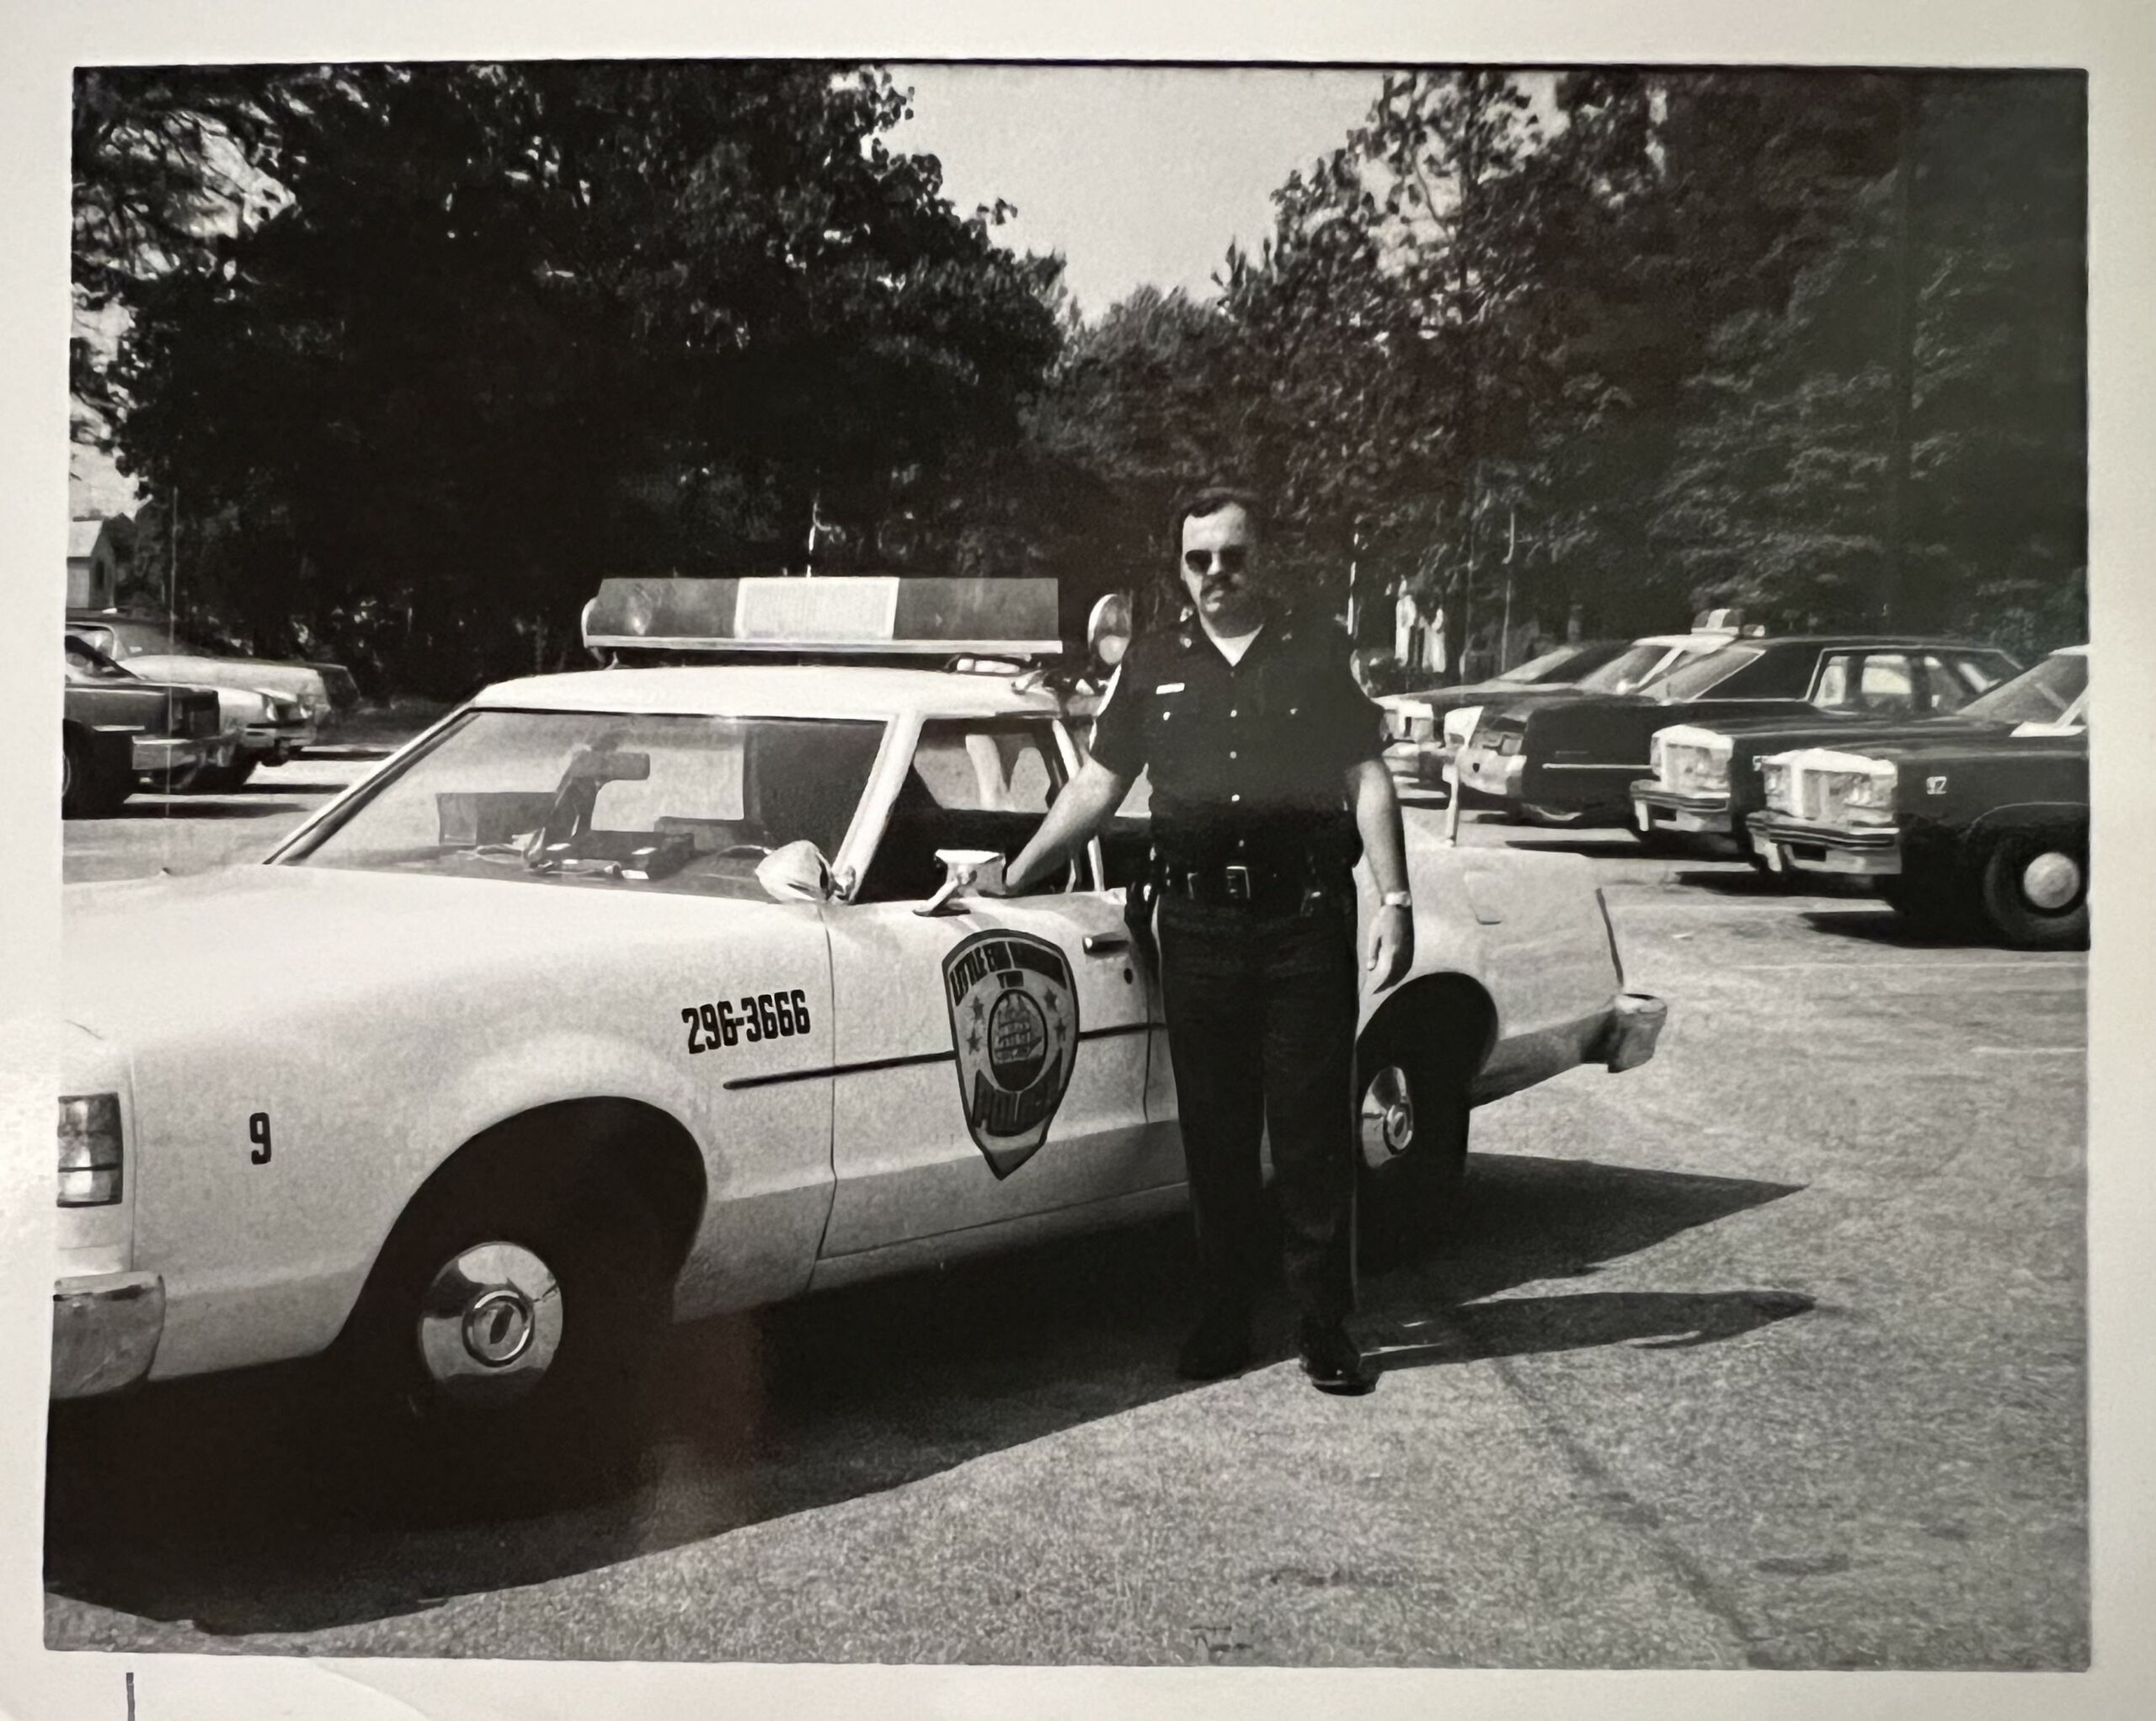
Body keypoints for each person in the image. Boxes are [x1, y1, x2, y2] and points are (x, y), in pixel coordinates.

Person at [1001, 488, 1414, 1395]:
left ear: (1260, 556)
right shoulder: (1151, 658)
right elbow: (1099, 787)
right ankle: (1224, 1314)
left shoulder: (1315, 646)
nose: (1217, 574)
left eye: (1233, 554)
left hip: (1302, 919)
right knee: (1216, 1135)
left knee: (1309, 1132)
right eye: (1199, 560)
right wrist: (1014, 872)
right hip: (1196, 926)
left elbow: (1366, 775)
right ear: (1178, 568)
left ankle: (1323, 1324)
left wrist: (1395, 900)